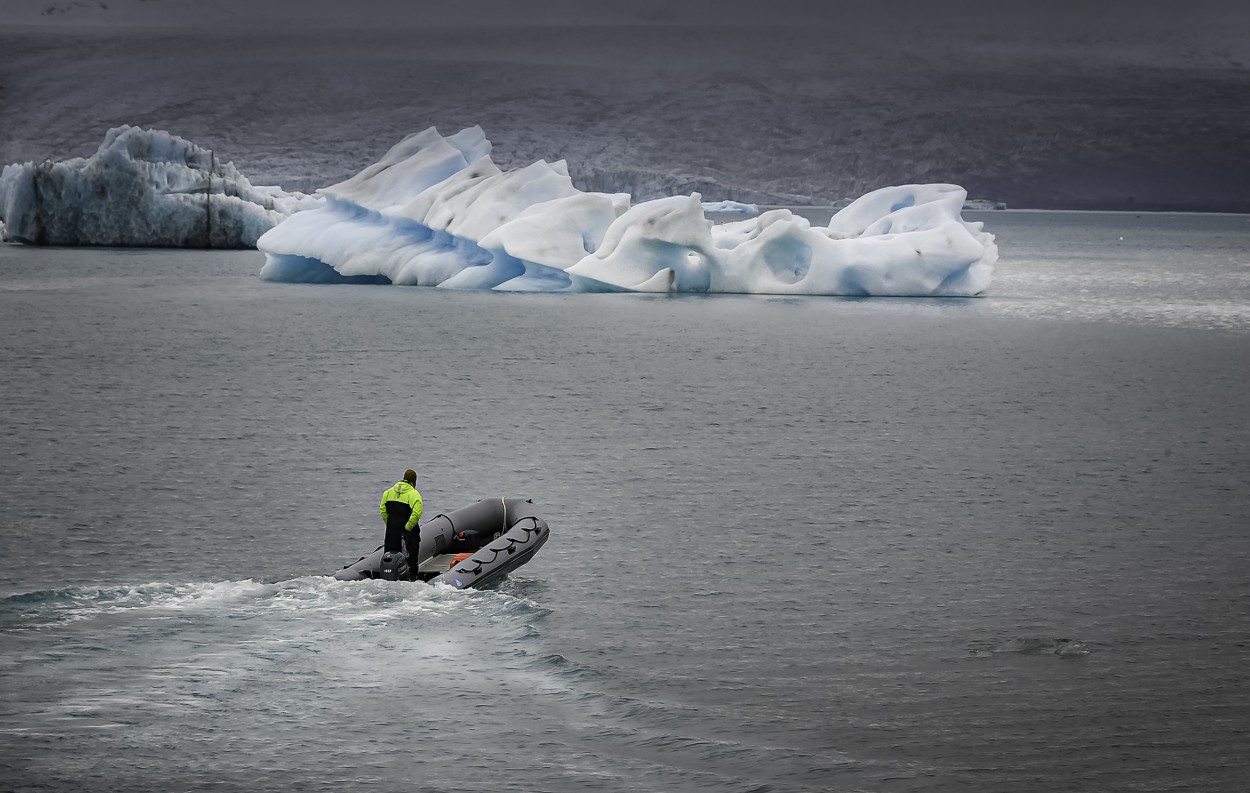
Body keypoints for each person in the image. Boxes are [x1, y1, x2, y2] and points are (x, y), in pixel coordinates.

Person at [379, 469, 423, 565]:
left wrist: (389, 523)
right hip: (408, 534)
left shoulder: (388, 493)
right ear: (414, 481)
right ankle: (412, 577)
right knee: (411, 558)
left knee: (390, 557)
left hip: (391, 532)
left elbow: (382, 510)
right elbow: (417, 513)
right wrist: (407, 528)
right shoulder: (414, 494)